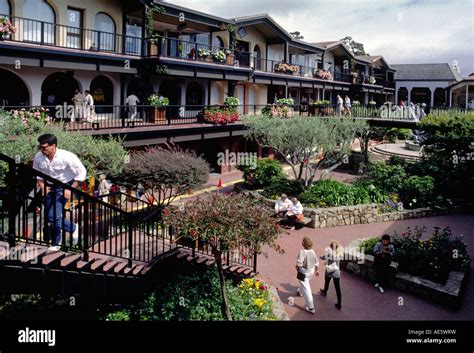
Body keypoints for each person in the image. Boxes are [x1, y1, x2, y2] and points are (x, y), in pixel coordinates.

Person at [33, 134, 87, 251]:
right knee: (50, 217)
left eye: (44, 147)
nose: (42, 150)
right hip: (48, 186)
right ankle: (73, 228)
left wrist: (70, 189)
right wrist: (42, 187)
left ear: (53, 146)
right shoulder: (39, 157)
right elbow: (37, 174)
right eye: (40, 147)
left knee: (53, 216)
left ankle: (56, 243)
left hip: (64, 186)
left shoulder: (67, 156)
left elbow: (81, 172)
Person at [296, 237, 319, 314]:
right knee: (305, 283)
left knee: (307, 290)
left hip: (304, 272)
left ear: (303, 243)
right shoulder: (313, 251)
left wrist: (297, 267)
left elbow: (299, 263)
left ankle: (311, 308)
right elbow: (316, 262)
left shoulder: (302, 252)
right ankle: (300, 292)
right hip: (311, 271)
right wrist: (317, 270)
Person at [319, 240, 344, 310]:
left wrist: (320, 257)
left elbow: (323, 257)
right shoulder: (339, 253)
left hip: (329, 271)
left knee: (326, 282)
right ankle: (339, 304)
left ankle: (325, 292)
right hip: (336, 272)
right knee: (337, 288)